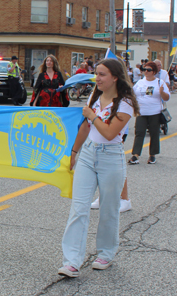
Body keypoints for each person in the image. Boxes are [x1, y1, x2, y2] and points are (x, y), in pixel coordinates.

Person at [58, 59, 139, 278]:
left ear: (115, 77)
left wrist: (92, 115)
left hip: (111, 157)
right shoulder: (95, 98)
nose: (97, 78)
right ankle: (72, 262)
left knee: (108, 209)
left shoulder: (125, 103)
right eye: (96, 74)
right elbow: (86, 128)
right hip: (88, 155)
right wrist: (74, 152)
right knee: (79, 207)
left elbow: (110, 133)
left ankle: (105, 253)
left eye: (102, 74)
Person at [128, 61, 170, 165]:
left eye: (149, 70)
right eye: (144, 69)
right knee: (139, 133)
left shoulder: (160, 82)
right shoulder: (140, 82)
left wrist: (162, 92)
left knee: (154, 133)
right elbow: (132, 94)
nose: (146, 71)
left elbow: (167, 98)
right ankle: (135, 155)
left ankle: (152, 155)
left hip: (154, 112)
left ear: (154, 72)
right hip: (141, 112)